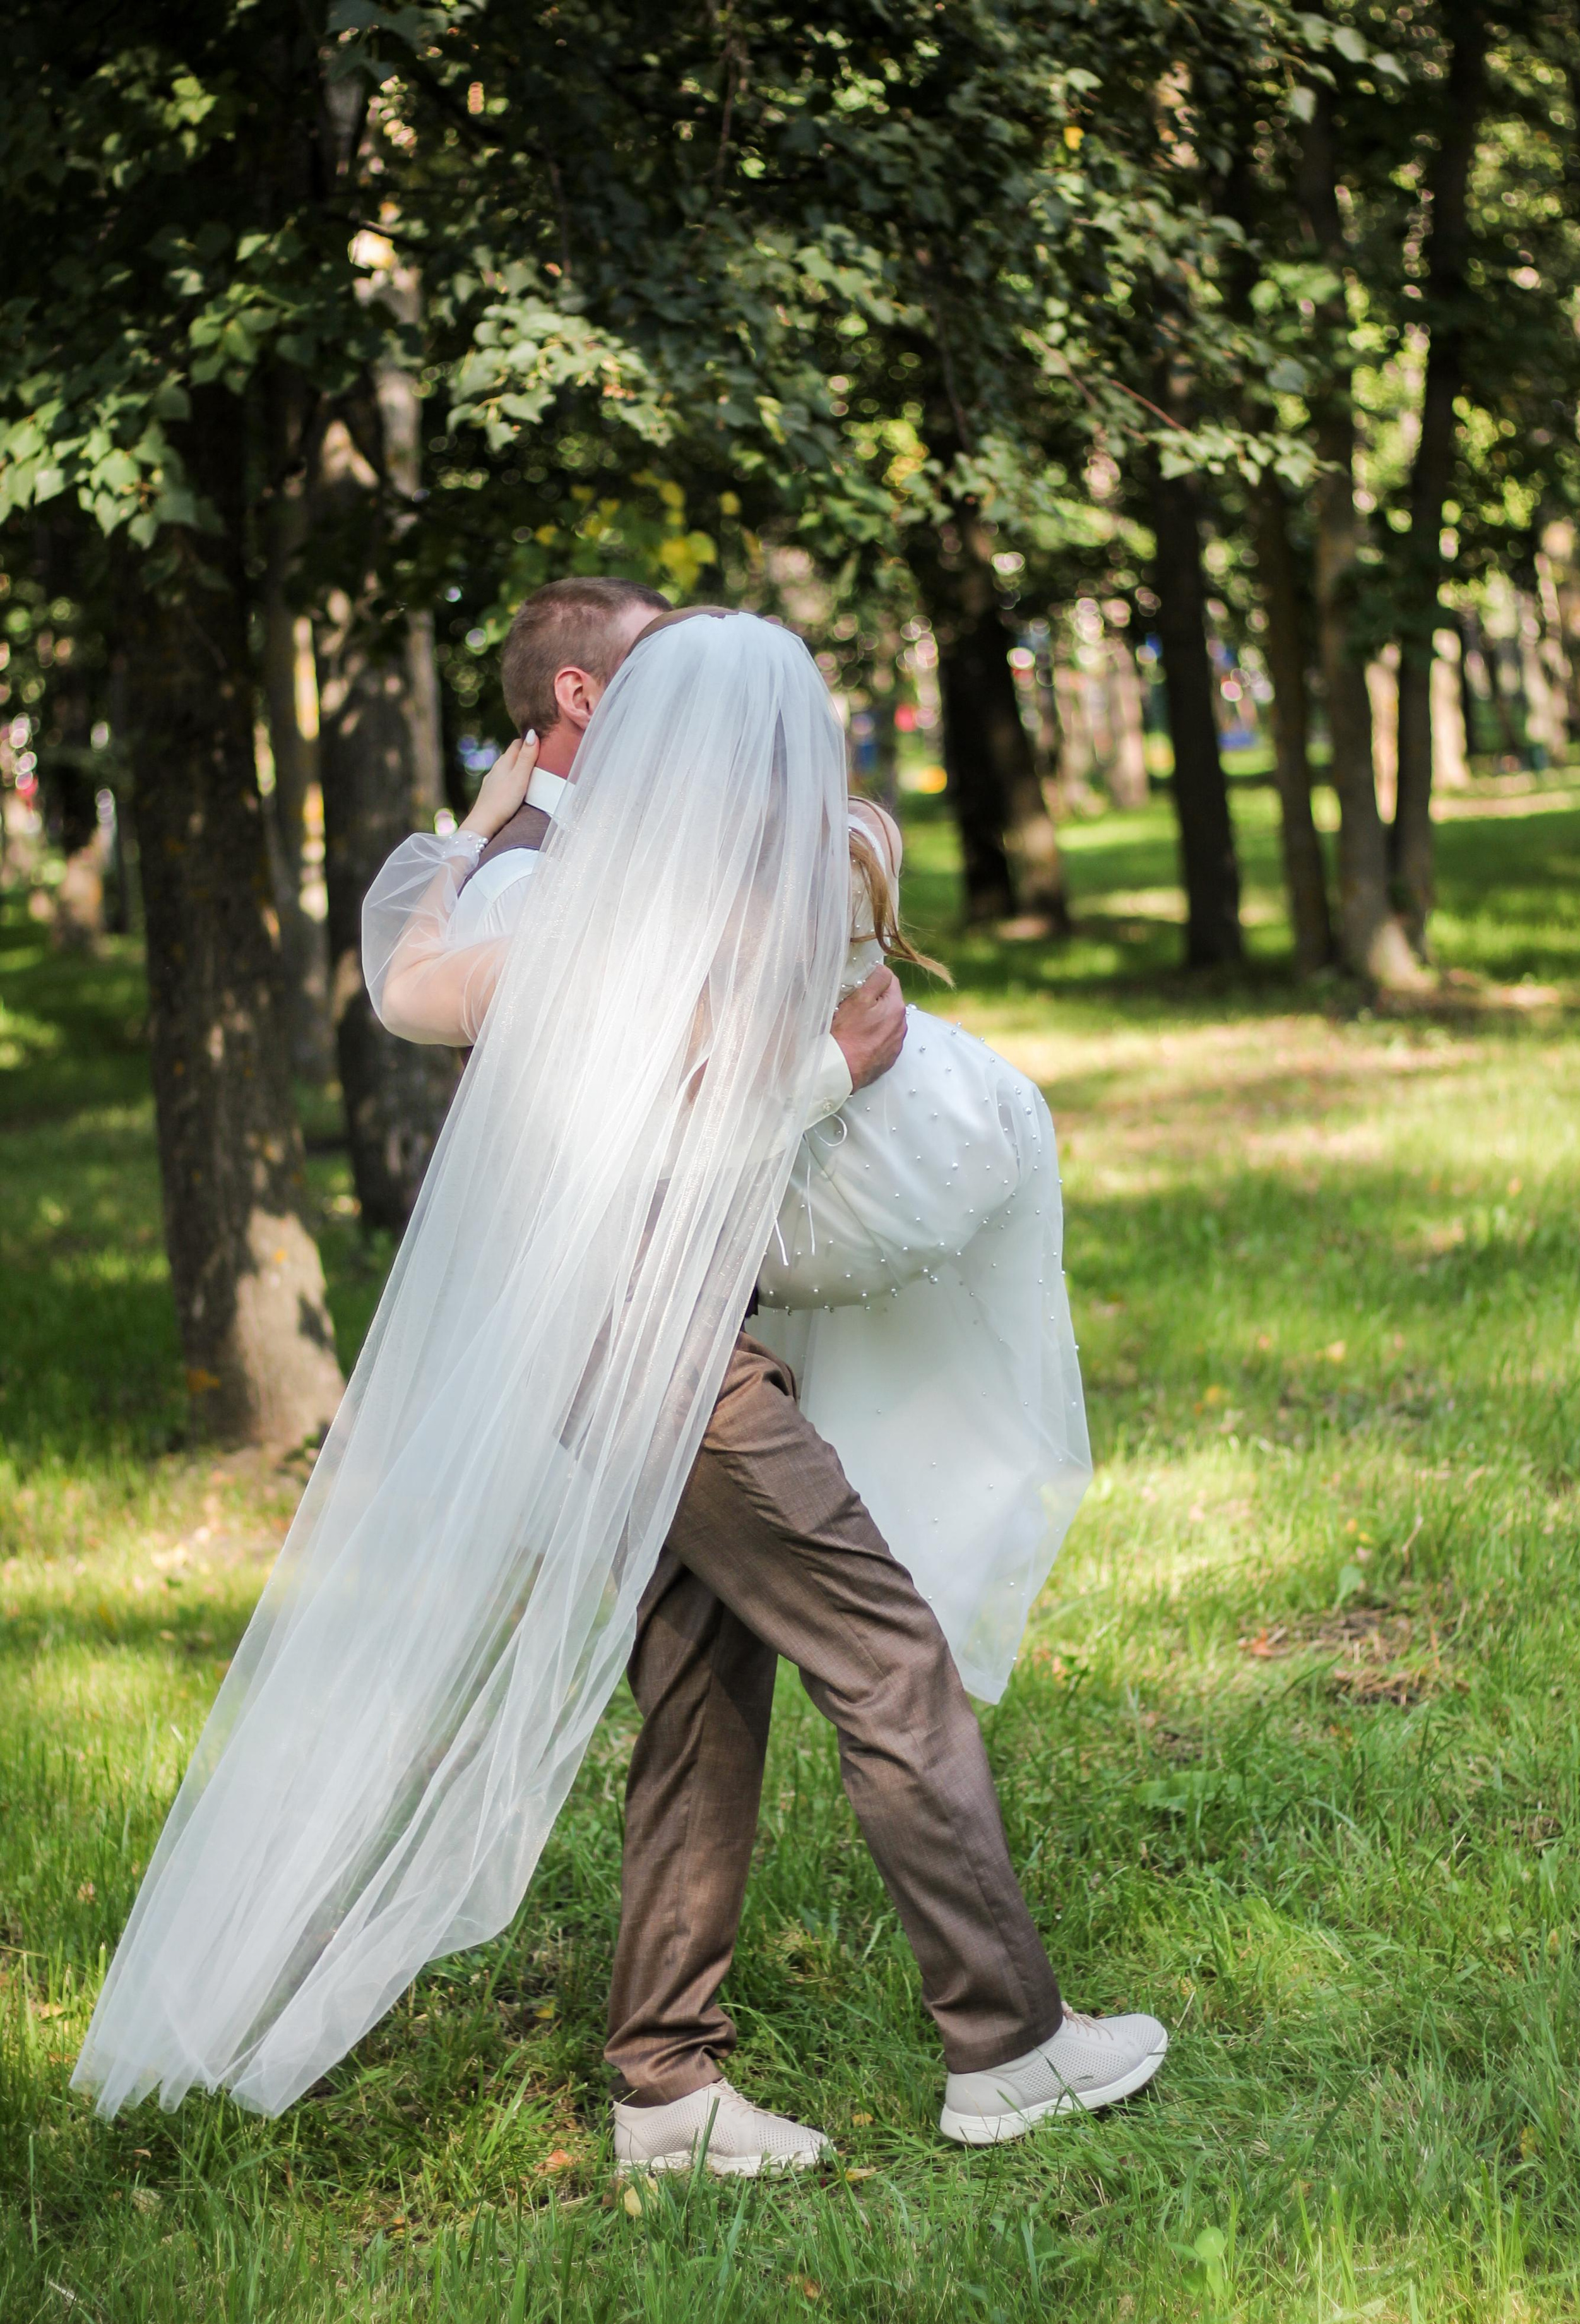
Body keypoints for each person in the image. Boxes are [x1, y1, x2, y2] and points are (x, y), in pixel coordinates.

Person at [74, 608, 1165, 2172]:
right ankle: (1006, 2047)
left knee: (705, 1691)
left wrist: (475, 828)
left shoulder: (567, 905)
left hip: (622, 1350)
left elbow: (407, 981)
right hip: (663, 1361)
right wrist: (836, 1074)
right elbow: (649, 1142)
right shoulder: (691, 914)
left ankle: (666, 2088)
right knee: (887, 1657)